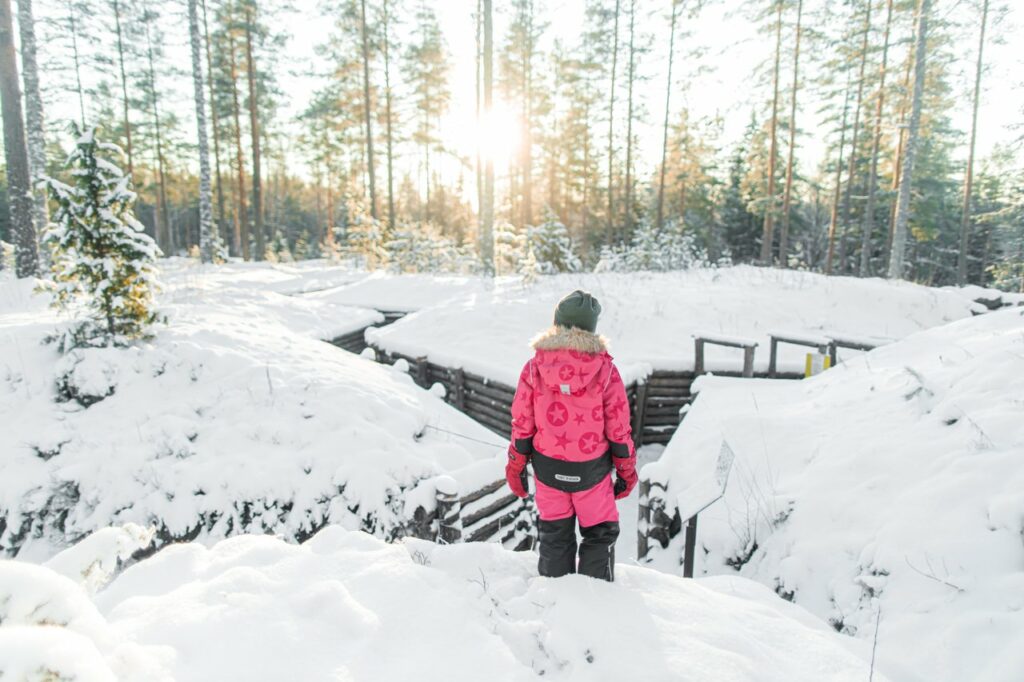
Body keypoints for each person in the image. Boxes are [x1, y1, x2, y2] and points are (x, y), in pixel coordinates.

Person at [505, 290, 638, 581]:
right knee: (599, 536)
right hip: (592, 472)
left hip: (548, 469)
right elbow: (618, 428)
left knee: (554, 536)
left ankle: (555, 595)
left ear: (557, 324)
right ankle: (594, 599)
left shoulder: (533, 368)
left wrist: (516, 465)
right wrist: (626, 471)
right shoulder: (605, 371)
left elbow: (522, 423)